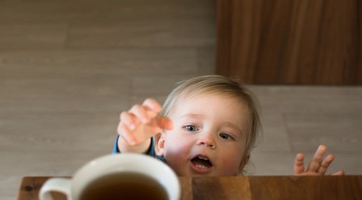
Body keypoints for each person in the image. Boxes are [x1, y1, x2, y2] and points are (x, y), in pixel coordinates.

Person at [113, 75, 344, 176]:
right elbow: (132, 162)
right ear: (162, 143)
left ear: (241, 162)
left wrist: (302, 194)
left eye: (225, 135)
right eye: (191, 128)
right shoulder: (150, 176)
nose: (207, 140)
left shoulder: (244, 196)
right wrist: (134, 140)